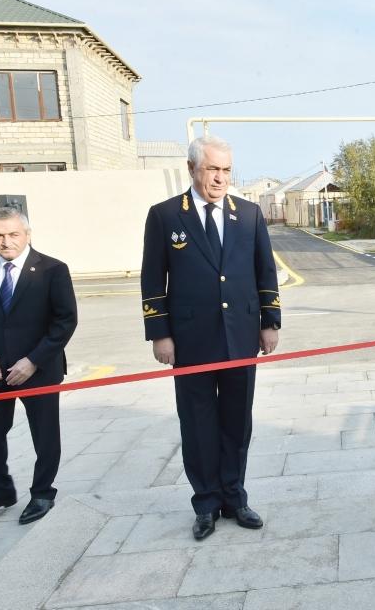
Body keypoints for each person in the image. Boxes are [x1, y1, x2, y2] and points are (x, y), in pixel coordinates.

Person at [140, 135, 281, 541]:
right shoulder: (166, 215)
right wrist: (159, 334)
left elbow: (264, 272)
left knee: (237, 421)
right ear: (192, 169)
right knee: (198, 423)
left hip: (240, 335)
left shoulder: (249, 214)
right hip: (190, 339)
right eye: (211, 169)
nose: (219, 178)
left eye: (225, 170)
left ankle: (235, 497)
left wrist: (269, 322)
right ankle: (205, 503)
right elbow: (153, 278)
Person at [0, 207, 78, 525]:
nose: (5, 242)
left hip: (39, 369)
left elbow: (65, 321)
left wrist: (33, 360)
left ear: (27, 234)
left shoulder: (53, 269)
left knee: (45, 434)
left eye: (13, 234)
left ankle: (42, 493)